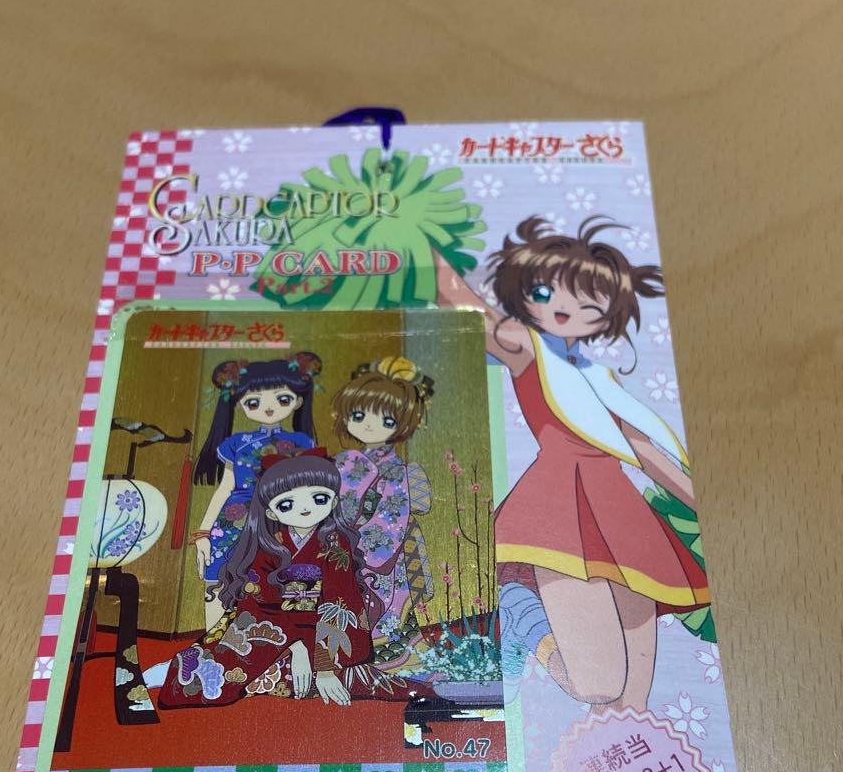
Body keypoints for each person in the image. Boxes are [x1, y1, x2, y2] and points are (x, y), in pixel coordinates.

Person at [434, 215, 709, 712]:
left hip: (622, 515)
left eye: (588, 304)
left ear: (606, 317)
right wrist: (420, 240)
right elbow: (460, 301)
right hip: (560, 503)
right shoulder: (527, 348)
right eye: (549, 293)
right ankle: (525, 620)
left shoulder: (600, 378)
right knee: (597, 685)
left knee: (630, 701)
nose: (566, 309)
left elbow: (645, 451)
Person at [158, 452, 434, 710]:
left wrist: (324, 667)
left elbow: (340, 600)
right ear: (271, 512)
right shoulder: (270, 544)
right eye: (287, 503)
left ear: (333, 502)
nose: (304, 509)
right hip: (272, 623)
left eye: (318, 498)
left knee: (320, 676)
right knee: (228, 661)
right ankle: (183, 671)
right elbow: (259, 600)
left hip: (321, 626)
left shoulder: (335, 543)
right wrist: (296, 647)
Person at [190, 354, 320, 629]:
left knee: (290, 580)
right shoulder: (237, 443)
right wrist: (203, 533)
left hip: (285, 517)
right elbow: (225, 487)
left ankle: (290, 642)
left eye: (282, 399)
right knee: (220, 576)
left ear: (297, 401)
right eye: (254, 402)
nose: (269, 407)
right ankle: (214, 641)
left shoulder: (301, 441)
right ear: (240, 404)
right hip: (236, 517)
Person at [332, 357, 434, 665]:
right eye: (359, 415)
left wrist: (362, 545)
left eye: (386, 420)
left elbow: (399, 515)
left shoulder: (399, 471)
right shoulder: (345, 461)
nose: (369, 425)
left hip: (385, 551)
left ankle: (398, 655)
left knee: (390, 600)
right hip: (344, 544)